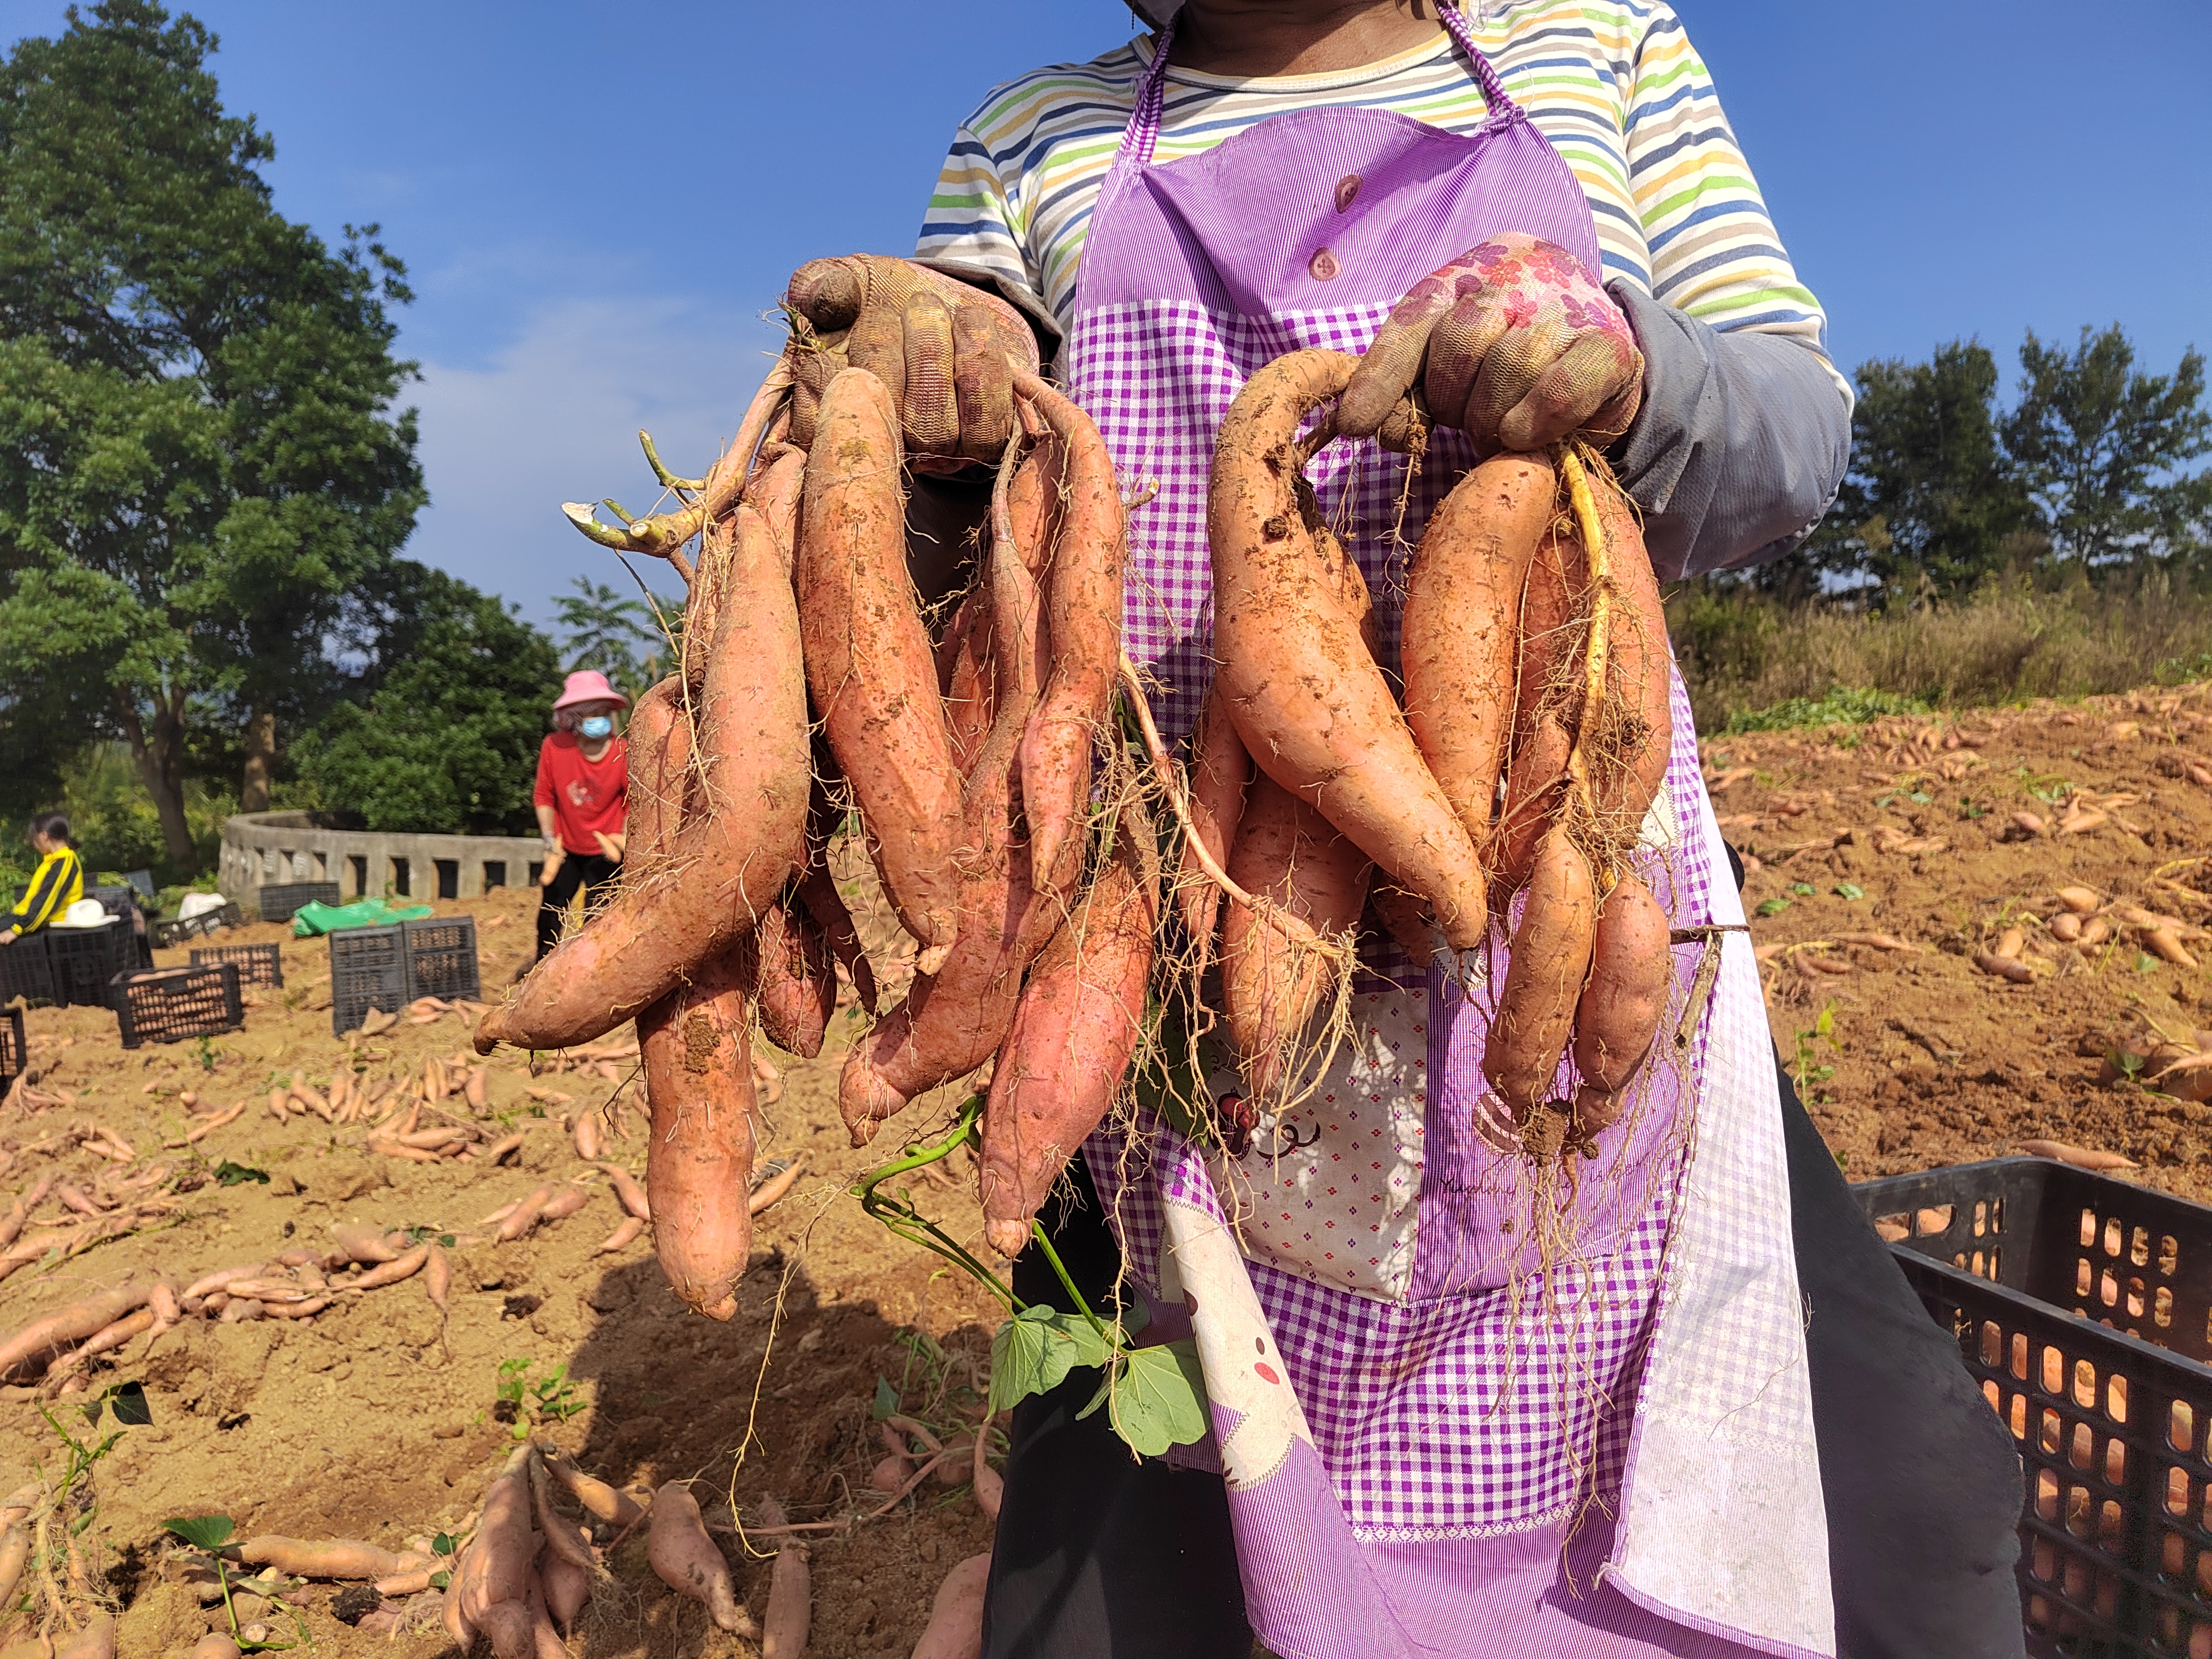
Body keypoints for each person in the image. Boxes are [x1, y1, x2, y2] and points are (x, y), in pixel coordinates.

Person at [780, 4, 2027, 1658]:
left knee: (1909, 1524)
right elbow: (964, 491)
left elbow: (1792, 439)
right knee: (1110, 1599)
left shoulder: (1596, 38)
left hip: (1560, 934)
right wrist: (919, 401)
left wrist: (1627, 366)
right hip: (1172, 973)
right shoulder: (1028, 139)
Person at [533, 670, 629, 963]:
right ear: (573, 718)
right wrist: (550, 839)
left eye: (602, 713)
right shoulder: (555, 747)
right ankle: (542, 970)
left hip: (607, 850)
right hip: (566, 847)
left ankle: (593, 974)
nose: (598, 719)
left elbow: (633, 800)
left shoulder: (623, 751)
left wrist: (623, 839)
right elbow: (544, 796)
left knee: (598, 920)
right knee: (550, 914)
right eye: (590, 714)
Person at [1, 814, 84, 946]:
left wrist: (17, 930)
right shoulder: (52, 861)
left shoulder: (64, 862)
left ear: (43, 836)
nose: (35, 845)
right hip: (23, 917)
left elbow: (46, 901)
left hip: (40, 922)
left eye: (34, 840)